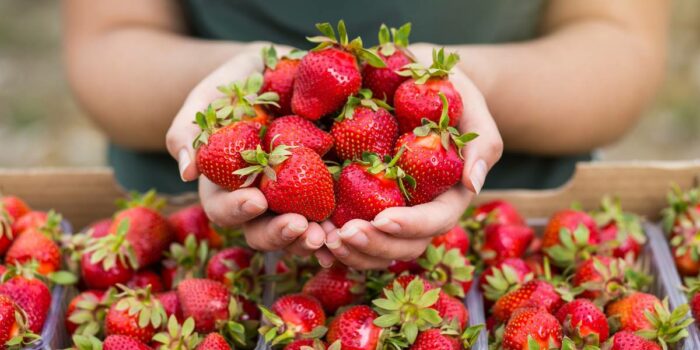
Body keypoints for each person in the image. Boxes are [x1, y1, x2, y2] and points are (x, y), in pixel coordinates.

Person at [63, 0, 668, 269]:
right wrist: (244, 86)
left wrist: (465, 79)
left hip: (512, 225)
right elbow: (106, 40)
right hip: (190, 227)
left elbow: (620, 43)